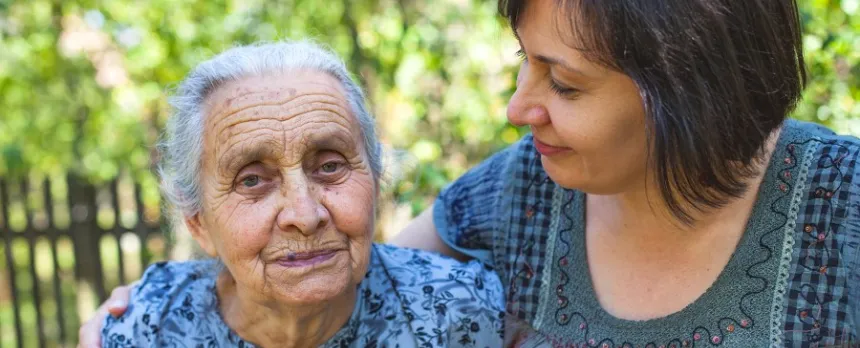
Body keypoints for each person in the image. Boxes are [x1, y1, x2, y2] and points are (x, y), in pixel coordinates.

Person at [82, 0, 860, 346]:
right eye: (525, 64)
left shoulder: (843, 208)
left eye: (564, 84)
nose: (521, 108)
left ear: (690, 89)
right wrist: (150, 308)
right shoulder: (519, 191)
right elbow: (341, 275)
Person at [94, 40, 504, 348]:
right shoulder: (148, 330)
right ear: (198, 222)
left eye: (329, 166)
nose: (305, 216)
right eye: (252, 180)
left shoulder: (459, 313)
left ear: (376, 182)